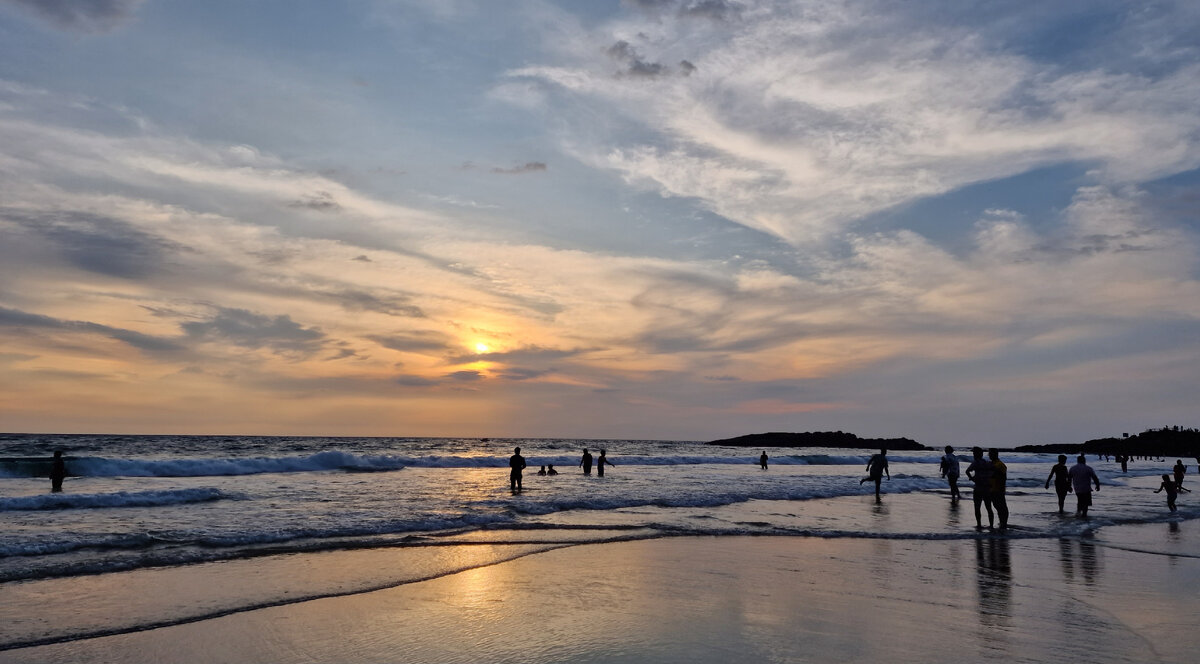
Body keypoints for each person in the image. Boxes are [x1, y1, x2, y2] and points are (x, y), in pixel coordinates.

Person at [965, 446, 994, 529]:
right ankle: (991, 525)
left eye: (974, 453)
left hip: (978, 487)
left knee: (977, 507)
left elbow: (967, 471)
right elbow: (992, 473)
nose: (973, 455)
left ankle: (979, 524)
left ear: (976, 454)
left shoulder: (975, 462)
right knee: (989, 507)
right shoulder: (987, 463)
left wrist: (972, 478)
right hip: (987, 488)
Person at [989, 448, 1009, 529]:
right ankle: (1002, 522)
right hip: (992, 489)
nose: (989, 455)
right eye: (989, 454)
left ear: (996, 454)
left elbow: (1003, 478)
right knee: (997, 506)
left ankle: (1004, 523)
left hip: (998, 489)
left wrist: (1002, 489)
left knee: (1002, 507)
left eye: (991, 453)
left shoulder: (1000, 465)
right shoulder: (992, 463)